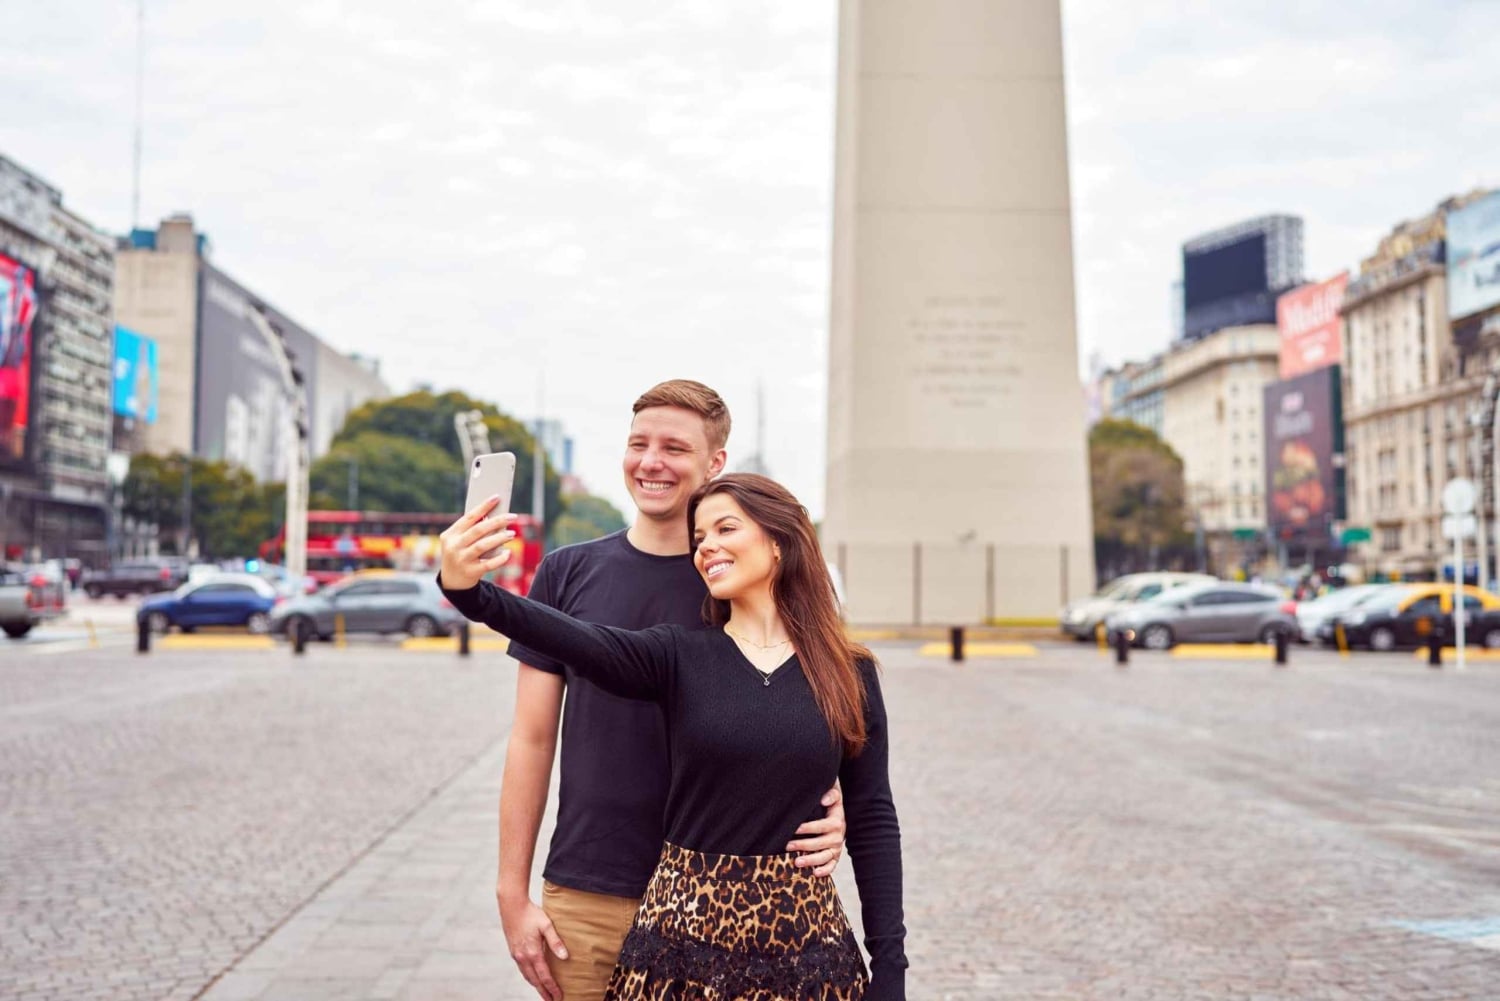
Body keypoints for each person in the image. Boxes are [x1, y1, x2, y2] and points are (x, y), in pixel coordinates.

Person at [441, 473, 905, 1000]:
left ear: (779, 541)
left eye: (725, 529)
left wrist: (890, 967)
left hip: (806, 949)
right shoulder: (676, 656)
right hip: (680, 945)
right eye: (699, 538)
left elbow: (872, 818)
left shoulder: (849, 672)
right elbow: (569, 636)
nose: (706, 547)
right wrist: (470, 592)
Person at [496, 380, 847, 1001]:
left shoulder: (737, 579)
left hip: (719, 900)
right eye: (639, 444)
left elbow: (807, 703)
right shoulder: (567, 572)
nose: (651, 462)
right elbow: (531, 738)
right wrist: (511, 892)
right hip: (589, 891)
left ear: (715, 463)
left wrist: (831, 793)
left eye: (674, 448)